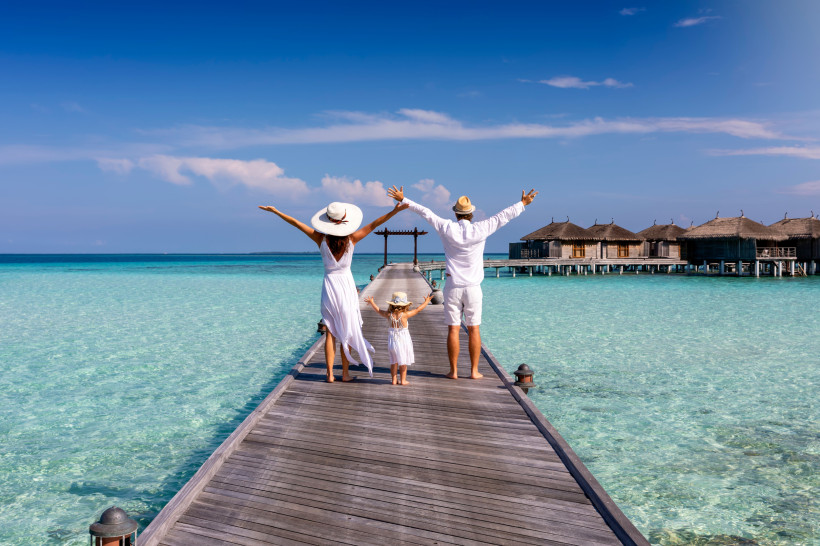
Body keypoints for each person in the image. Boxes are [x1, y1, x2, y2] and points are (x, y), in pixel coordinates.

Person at [387, 185, 538, 379]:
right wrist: (522, 203)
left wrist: (404, 198)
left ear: (456, 214)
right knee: (474, 328)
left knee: (453, 329)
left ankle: (454, 371)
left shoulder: (447, 228)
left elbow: (426, 212)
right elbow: (503, 217)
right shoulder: (481, 228)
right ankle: (474, 371)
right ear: (471, 214)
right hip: (473, 287)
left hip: (453, 286)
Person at [259, 201, 408, 382]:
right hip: (346, 287)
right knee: (348, 330)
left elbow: (296, 223)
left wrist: (276, 211)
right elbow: (376, 223)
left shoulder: (320, 239)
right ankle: (345, 374)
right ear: (344, 221)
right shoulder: (352, 239)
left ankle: (330, 374)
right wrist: (394, 210)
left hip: (329, 286)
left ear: (328, 221)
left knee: (330, 332)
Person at [365, 292, 433, 386]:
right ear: (405, 305)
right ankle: (403, 380)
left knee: (393, 361)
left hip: (392, 340)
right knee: (403, 361)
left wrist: (372, 302)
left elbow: (379, 311)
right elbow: (418, 310)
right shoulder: (405, 315)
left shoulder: (389, 314)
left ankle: (393, 380)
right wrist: (426, 302)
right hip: (403, 340)